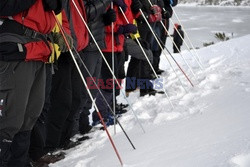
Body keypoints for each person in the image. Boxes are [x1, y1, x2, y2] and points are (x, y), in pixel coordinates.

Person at [0, 0, 62, 166]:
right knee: (10, 118)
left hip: (39, 48)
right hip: (16, 45)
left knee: (30, 116)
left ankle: (19, 162)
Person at [45, 0, 89, 154]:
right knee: (61, 100)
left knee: (76, 98)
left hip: (77, 49)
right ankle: (51, 144)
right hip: (62, 51)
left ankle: (65, 138)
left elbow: (79, 20)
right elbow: (60, 18)